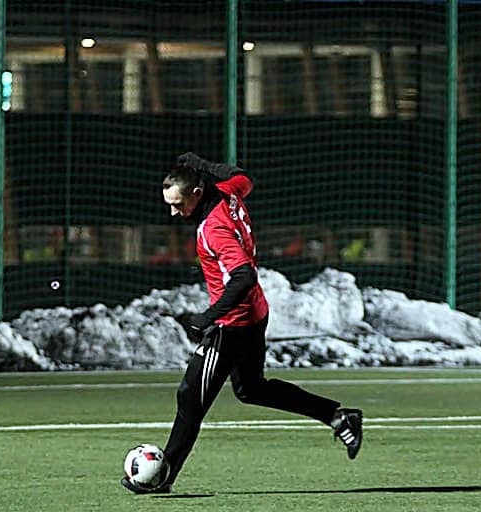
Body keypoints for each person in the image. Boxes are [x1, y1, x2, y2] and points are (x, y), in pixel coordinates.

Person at [121, 152, 363, 494]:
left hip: (232, 324)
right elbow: (242, 176)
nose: (174, 213)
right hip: (254, 314)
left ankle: (161, 479)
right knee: (251, 389)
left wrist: (208, 317)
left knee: (191, 397)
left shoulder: (214, 228)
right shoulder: (228, 192)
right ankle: (338, 417)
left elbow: (244, 276)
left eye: (178, 204)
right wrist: (203, 165)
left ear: (196, 193)